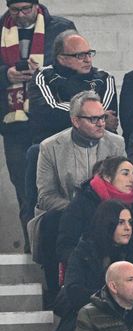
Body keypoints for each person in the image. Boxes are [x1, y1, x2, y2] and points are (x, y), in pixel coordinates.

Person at [28, 90, 125, 303]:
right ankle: (56, 291)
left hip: (105, 211)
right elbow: (45, 196)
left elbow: (123, 187)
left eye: (103, 117)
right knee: (51, 222)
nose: (101, 123)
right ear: (75, 120)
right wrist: (78, 209)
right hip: (66, 213)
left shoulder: (116, 143)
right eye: (93, 119)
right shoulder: (50, 147)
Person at [0, 0, 75, 252]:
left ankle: (56, 245)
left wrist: (42, 74)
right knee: (23, 188)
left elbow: (76, 67)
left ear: (37, 6)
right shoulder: (0, 28)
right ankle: (33, 247)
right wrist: (6, 74)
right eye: (14, 11)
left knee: (54, 186)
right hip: (14, 125)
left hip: (50, 121)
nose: (21, 16)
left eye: (26, 9)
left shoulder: (61, 28)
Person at [64, 200, 133, 312]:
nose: (128, 228)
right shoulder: (84, 252)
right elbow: (74, 291)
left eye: (130, 222)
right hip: (92, 313)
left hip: (132, 314)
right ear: (107, 224)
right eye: (121, 222)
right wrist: (113, 299)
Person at [29, 29, 118, 143]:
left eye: (89, 53)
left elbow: (107, 119)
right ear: (62, 58)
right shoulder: (44, 76)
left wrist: (70, 112)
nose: (88, 60)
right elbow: (47, 114)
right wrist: (92, 115)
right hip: (54, 143)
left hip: (96, 145)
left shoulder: (104, 78)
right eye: (80, 55)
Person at [56, 156, 133, 266]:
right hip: (90, 269)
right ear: (107, 177)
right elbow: (65, 247)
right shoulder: (82, 202)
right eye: (125, 173)